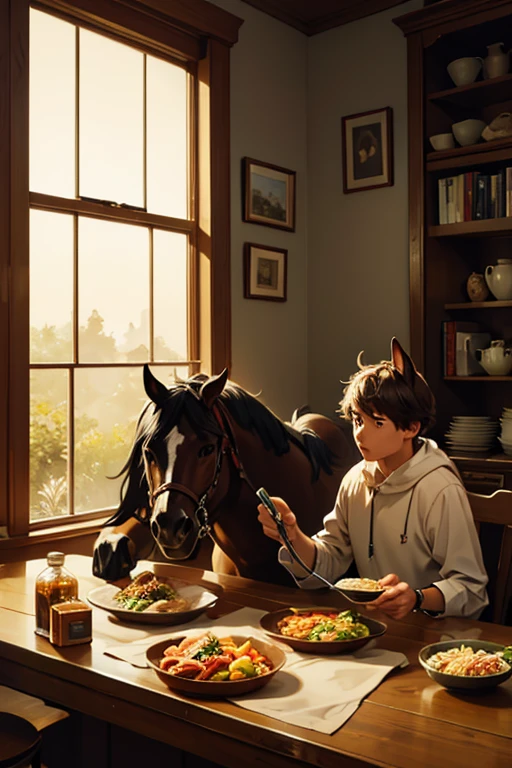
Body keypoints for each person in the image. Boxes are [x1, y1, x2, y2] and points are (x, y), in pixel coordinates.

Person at [257, 338, 488, 620]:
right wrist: (292, 536)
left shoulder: (439, 489)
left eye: (376, 423)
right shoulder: (356, 480)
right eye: (357, 420)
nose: (360, 434)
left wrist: (415, 598)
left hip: (436, 638)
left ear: (411, 428)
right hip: (376, 627)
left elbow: (471, 590)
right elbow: (328, 561)